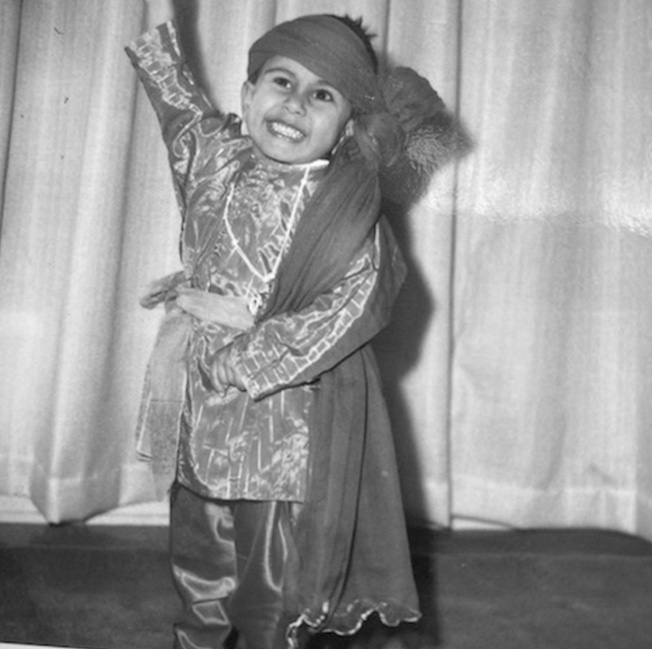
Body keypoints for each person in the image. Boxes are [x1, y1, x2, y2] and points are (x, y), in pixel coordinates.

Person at [126, 1, 468, 647]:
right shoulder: (211, 158)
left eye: (323, 94)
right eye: (282, 81)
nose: (294, 104)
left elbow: (352, 306)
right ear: (247, 94)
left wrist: (246, 356)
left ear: (347, 128)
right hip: (196, 410)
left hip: (279, 434)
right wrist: (149, 28)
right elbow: (174, 97)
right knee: (197, 569)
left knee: (271, 594)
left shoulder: (346, 209)